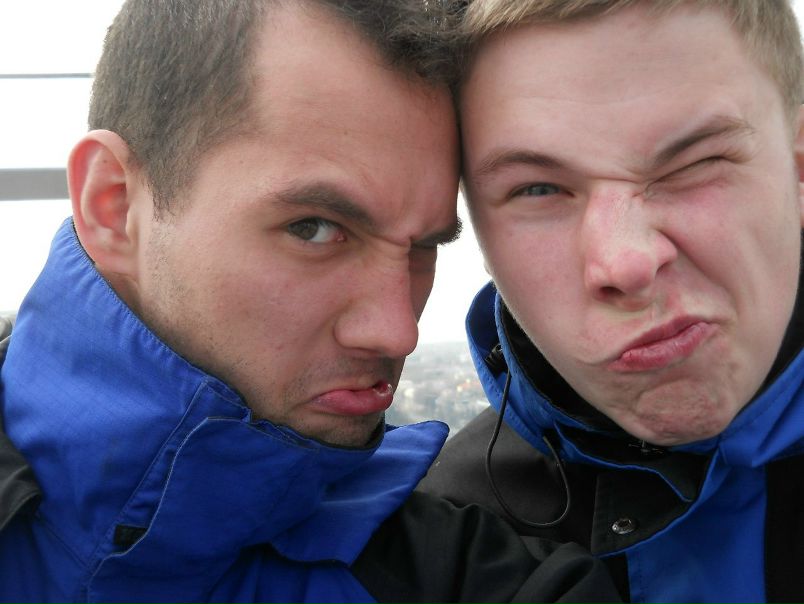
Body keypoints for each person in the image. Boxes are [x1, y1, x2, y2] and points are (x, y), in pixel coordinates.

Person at [0, 0, 623, 602]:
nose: (397, 331)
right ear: (112, 204)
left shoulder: (472, 580)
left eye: (423, 247)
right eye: (314, 229)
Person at [419, 1, 804, 602]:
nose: (625, 263)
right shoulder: (442, 552)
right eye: (537, 189)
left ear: (799, 169)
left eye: (696, 162)